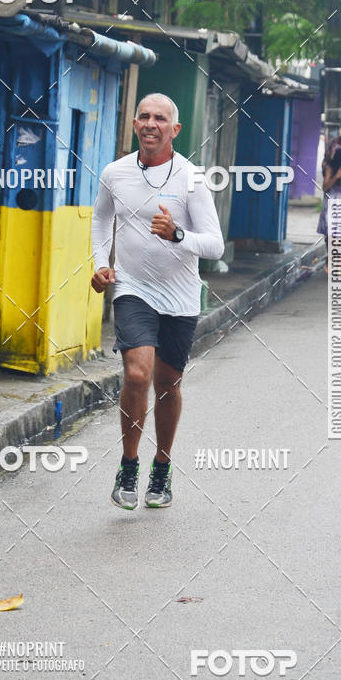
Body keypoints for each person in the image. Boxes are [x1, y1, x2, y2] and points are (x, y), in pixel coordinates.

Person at [90, 93, 224, 510]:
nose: (151, 124)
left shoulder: (192, 178)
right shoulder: (115, 173)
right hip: (133, 289)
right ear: (134, 124)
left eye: (160, 118)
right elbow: (101, 218)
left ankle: (161, 468)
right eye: (144, 117)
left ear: (175, 129)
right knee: (137, 374)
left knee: (168, 383)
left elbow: (216, 245)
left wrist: (177, 235)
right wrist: (100, 263)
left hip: (181, 297)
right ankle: (129, 465)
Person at [317, 147, 341, 272]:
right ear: (339, 161)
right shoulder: (330, 169)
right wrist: (337, 176)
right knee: (331, 235)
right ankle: (331, 259)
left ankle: (338, 263)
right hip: (332, 203)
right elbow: (325, 187)